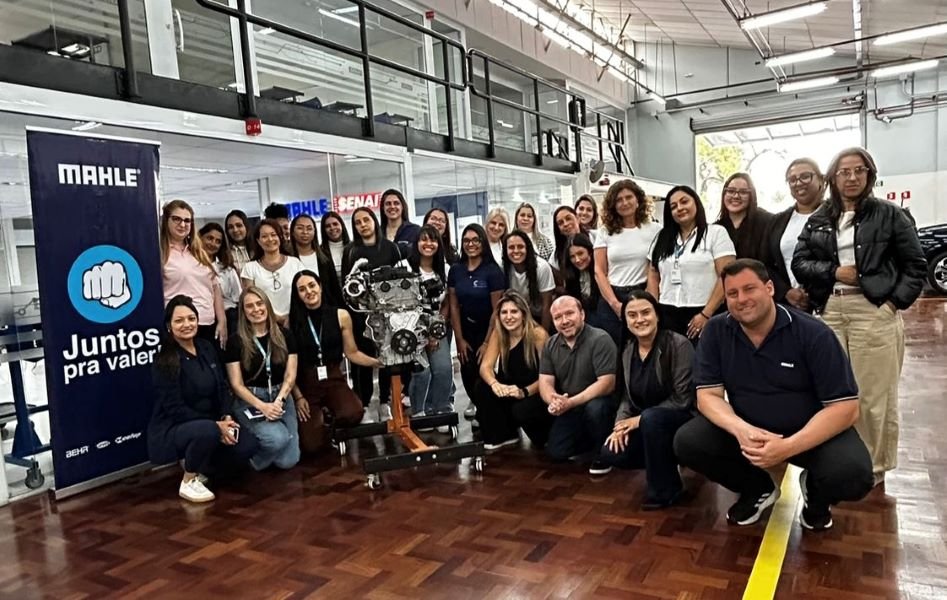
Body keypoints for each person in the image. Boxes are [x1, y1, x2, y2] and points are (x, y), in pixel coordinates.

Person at [674, 259, 873, 531]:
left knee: (854, 474)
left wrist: (787, 447)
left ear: (769, 288)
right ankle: (757, 488)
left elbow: (846, 408)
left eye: (749, 289)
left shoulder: (814, 334)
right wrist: (741, 430)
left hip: (809, 434)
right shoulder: (717, 332)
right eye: (732, 293)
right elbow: (707, 396)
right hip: (750, 432)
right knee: (689, 441)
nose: (741, 299)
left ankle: (816, 496)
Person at [792, 147, 927, 486]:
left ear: (869, 174)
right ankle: (837, 460)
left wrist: (891, 305)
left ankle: (872, 468)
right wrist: (835, 272)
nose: (851, 177)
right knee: (833, 392)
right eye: (844, 172)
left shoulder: (891, 215)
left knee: (872, 395)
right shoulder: (820, 218)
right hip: (831, 310)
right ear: (833, 178)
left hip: (873, 310)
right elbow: (800, 263)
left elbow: (915, 266)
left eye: (859, 170)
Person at [148, 295, 258, 503]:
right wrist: (215, 426)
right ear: (169, 326)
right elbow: (174, 408)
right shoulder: (165, 359)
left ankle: (202, 465)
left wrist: (225, 417)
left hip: (214, 422)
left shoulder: (206, 347)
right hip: (176, 427)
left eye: (191, 318)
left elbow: (223, 387)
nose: (187, 324)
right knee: (208, 430)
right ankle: (189, 479)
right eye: (179, 320)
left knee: (247, 446)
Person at [599, 290, 694, 509]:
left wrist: (638, 420)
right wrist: (619, 426)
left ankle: (665, 491)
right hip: (648, 423)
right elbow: (626, 397)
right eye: (632, 315)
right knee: (611, 452)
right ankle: (663, 462)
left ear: (657, 315)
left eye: (645, 312)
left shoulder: (678, 345)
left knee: (652, 419)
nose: (639, 319)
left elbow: (682, 399)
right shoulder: (627, 350)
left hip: (682, 419)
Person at [288, 271, 382, 452]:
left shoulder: (341, 315)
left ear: (320, 287)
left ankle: (328, 418)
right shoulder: (291, 322)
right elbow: (289, 368)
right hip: (307, 382)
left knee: (354, 413)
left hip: (333, 376)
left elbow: (352, 353)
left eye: (312, 285)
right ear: (297, 295)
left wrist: (376, 362)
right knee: (311, 445)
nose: (309, 291)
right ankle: (321, 422)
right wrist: (298, 397)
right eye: (302, 289)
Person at [539, 296, 617, 473]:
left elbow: (607, 383)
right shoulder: (550, 344)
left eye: (569, 314)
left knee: (596, 409)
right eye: (558, 317)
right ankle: (589, 442)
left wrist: (571, 402)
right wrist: (554, 401)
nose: (564, 321)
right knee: (557, 452)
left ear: (582, 314)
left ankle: (604, 453)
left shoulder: (600, 339)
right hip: (571, 406)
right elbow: (545, 382)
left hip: (599, 402)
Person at [225, 287, 300, 471]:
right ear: (243, 312)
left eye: (260, 304)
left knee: (289, 461)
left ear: (267, 306)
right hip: (251, 399)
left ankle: (271, 451)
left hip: (281, 395)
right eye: (249, 306)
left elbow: (290, 375)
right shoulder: (235, 341)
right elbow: (236, 384)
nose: (256, 309)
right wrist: (263, 407)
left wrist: (279, 401)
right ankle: (252, 463)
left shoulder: (285, 335)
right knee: (278, 439)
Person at [647, 185, 736, 342]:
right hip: (667, 312)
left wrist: (706, 314)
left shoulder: (716, 233)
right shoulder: (662, 237)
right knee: (672, 356)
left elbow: (726, 276)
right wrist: (654, 309)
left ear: (696, 203)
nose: (679, 208)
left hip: (704, 311)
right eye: (673, 206)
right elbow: (653, 274)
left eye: (684, 202)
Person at [341, 207, 403, 422]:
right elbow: (347, 286)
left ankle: (385, 402)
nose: (362, 225)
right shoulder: (351, 251)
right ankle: (364, 403)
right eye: (357, 222)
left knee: (386, 358)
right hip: (361, 315)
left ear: (374, 221)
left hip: (388, 314)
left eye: (365, 220)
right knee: (363, 361)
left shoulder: (390, 248)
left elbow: (401, 279)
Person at [478, 291, 553, 450]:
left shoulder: (538, 334)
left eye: (514, 312)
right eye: (504, 312)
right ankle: (505, 435)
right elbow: (485, 367)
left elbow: (549, 376)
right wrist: (495, 384)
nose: (509, 317)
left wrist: (523, 392)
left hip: (533, 391)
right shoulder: (499, 333)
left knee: (523, 412)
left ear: (524, 314)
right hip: (510, 390)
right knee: (482, 386)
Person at [448, 224, 506, 423]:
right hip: (466, 330)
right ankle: (479, 409)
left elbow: (497, 310)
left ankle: (490, 416)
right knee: (467, 372)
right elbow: (454, 306)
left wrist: (487, 342)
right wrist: (459, 339)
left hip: (488, 330)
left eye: (475, 240)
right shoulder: (456, 270)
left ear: (482, 242)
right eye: (466, 240)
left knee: (484, 373)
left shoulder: (493, 271)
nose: (470, 244)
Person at [594, 180, 662, 346]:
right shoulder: (605, 232)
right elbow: (599, 271)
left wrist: (650, 299)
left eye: (629, 197)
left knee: (645, 345)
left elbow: (655, 268)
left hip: (643, 292)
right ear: (613, 205)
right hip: (613, 295)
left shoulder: (655, 229)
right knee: (614, 348)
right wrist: (615, 304)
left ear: (638, 199)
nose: (624, 203)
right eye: (619, 200)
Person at [160, 199, 227, 347]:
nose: (182, 224)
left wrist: (222, 321)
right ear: (166, 221)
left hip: (207, 324)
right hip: (180, 326)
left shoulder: (198, 252)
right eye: (176, 219)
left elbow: (215, 288)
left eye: (187, 220)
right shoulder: (160, 254)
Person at [407, 226, 454, 422]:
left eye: (433, 240)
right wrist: (420, 335)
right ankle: (420, 411)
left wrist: (435, 331)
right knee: (423, 372)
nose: (428, 244)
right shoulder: (405, 267)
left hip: (436, 327)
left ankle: (441, 409)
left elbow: (447, 303)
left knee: (443, 368)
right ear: (416, 243)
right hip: (410, 329)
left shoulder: (445, 269)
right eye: (424, 239)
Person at [765, 158, 825, 310]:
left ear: (821, 180)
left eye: (805, 176)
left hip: (830, 303)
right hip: (789, 305)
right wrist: (786, 292)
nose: (798, 183)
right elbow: (766, 263)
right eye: (792, 180)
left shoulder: (835, 215)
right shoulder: (777, 221)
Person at [240, 219, 304, 325]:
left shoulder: (295, 263)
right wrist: (275, 318)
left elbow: (302, 293)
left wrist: (290, 317)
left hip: (295, 320)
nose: (270, 239)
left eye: (273, 235)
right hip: (264, 322)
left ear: (280, 237)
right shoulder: (249, 268)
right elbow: (250, 300)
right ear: (258, 241)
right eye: (264, 236)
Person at [503, 230, 554, 330]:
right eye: (511, 247)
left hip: (539, 316)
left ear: (528, 248)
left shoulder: (541, 267)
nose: (516, 251)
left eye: (520, 247)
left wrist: (543, 333)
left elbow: (546, 305)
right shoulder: (503, 267)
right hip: (515, 315)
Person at [289, 213, 344, 307]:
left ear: (315, 231)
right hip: (298, 309)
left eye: (309, 228)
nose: (305, 232)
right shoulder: (287, 259)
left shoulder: (325, 256)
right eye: (300, 228)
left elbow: (334, 289)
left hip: (326, 308)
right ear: (292, 232)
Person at [716, 172, 773, 261]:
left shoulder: (767, 222)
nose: (736, 196)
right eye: (731, 191)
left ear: (751, 196)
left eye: (743, 192)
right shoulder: (716, 228)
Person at [199, 222, 242, 337]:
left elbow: (238, 298)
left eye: (218, 241)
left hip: (228, 317)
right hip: (201, 317)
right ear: (200, 238)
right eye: (210, 238)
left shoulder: (227, 269)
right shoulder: (191, 265)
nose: (213, 243)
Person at [561, 233, 601, 326]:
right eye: (572, 256)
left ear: (590, 252)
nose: (577, 260)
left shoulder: (601, 271)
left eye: (580, 253)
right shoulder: (571, 275)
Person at [380, 188, 421, 254]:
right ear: (383, 208)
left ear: (402, 207)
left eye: (396, 203)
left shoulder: (415, 231)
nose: (392, 206)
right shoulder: (377, 233)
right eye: (388, 204)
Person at [319, 211, 350, 282]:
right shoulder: (320, 252)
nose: (332, 228)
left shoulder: (353, 248)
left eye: (335, 224)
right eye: (328, 226)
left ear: (342, 225)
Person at [551, 206, 582, 272]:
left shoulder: (595, 238)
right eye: (560, 223)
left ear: (578, 218)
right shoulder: (556, 257)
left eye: (568, 218)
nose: (565, 224)